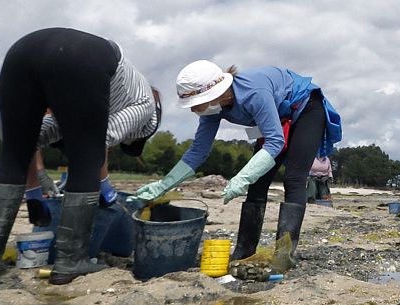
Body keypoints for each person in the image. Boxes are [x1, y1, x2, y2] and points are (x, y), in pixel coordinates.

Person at [0, 28, 160, 285]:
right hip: (82, 57)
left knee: (14, 150)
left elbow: (25, 141)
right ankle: (70, 262)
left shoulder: (84, 103)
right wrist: (104, 186)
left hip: (22, 50)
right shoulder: (145, 109)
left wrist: (34, 191)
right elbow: (95, 145)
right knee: (85, 154)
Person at [132, 61, 342, 275]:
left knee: (293, 178)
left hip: (306, 108)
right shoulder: (212, 110)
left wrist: (242, 177)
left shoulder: (254, 93)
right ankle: (244, 250)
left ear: (217, 92)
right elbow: (198, 151)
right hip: (278, 115)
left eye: (196, 103)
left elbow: (274, 142)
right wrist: (164, 185)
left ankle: (283, 255)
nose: (194, 110)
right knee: (258, 183)